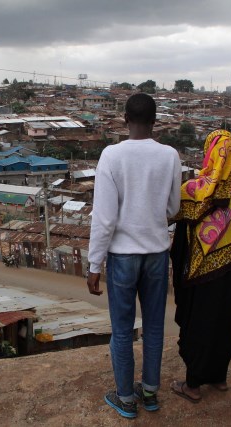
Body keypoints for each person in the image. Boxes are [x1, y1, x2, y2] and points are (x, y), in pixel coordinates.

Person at [87, 93, 182, 419]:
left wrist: (94, 264)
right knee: (154, 327)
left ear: (125, 119)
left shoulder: (111, 156)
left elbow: (104, 218)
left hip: (123, 257)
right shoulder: (169, 155)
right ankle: (150, 393)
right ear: (155, 121)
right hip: (156, 254)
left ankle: (126, 398)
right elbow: (173, 207)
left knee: (122, 330)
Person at [170, 129, 231, 403]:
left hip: (203, 272)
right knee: (225, 320)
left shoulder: (199, 189)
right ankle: (219, 377)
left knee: (200, 323)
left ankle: (193, 384)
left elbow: (172, 211)